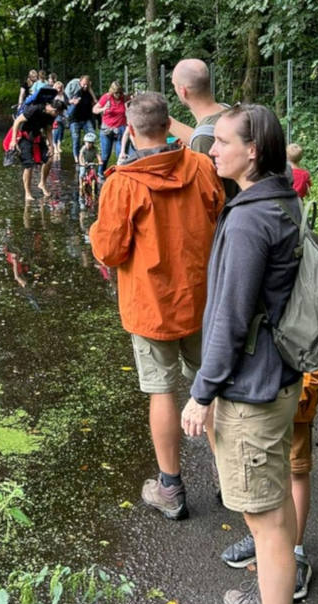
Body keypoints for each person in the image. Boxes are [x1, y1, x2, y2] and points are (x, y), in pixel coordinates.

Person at [180, 104, 302, 604]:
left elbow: (231, 318)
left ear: (252, 151)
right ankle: (276, 588)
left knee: (266, 520)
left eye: (223, 143)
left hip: (252, 388)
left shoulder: (251, 219)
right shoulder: (281, 197)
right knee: (277, 502)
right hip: (280, 375)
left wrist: (201, 392)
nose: (212, 150)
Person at [89, 92, 224, 521]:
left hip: (151, 309)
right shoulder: (202, 166)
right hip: (203, 299)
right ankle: (229, 481)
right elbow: (220, 219)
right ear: (169, 126)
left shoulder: (122, 184)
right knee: (212, 385)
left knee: (161, 391)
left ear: (129, 131)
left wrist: (97, 227)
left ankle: (170, 487)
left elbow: (108, 252)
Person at [220, 369, 318, 602]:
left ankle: (295, 553)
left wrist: (307, 388)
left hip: (294, 388)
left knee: (296, 469)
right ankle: (266, 542)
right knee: (266, 471)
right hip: (260, 391)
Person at [169, 58, 239, 201]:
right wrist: (167, 121)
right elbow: (203, 133)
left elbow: (207, 194)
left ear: (183, 91)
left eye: (174, 85)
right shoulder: (226, 110)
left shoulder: (204, 139)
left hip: (226, 217)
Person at [8, 97, 67, 202]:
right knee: (29, 165)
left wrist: (51, 146)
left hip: (36, 136)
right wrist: (13, 140)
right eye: (57, 112)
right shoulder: (34, 109)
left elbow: (48, 130)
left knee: (49, 159)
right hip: (23, 136)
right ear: (51, 108)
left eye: (59, 113)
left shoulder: (51, 115)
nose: (57, 115)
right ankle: (27, 193)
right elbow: (17, 121)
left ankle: (42, 183)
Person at [93, 81, 128, 178]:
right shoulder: (106, 97)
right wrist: (103, 108)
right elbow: (94, 110)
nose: (118, 95)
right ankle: (100, 173)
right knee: (105, 155)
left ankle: (120, 175)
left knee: (120, 154)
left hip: (120, 129)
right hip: (107, 129)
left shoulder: (124, 98)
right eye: (116, 93)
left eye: (120, 93)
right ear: (112, 92)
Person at [68, 75, 97, 160]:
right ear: (80, 83)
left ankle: (88, 153)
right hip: (75, 119)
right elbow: (68, 100)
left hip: (86, 118)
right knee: (76, 139)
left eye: (87, 84)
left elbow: (94, 101)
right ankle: (77, 158)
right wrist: (73, 101)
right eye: (84, 84)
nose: (85, 86)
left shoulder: (89, 93)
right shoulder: (78, 92)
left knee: (92, 135)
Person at [77, 131, 99, 201]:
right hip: (84, 163)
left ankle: (95, 181)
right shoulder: (83, 149)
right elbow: (80, 156)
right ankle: (80, 184)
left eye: (90, 143)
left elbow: (98, 155)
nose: (88, 144)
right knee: (82, 172)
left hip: (91, 162)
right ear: (84, 142)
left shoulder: (94, 149)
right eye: (87, 142)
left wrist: (100, 161)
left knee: (94, 171)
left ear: (93, 143)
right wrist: (81, 163)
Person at [52, 81, 68, 156]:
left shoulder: (64, 95)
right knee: (56, 129)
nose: (59, 90)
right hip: (55, 114)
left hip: (63, 114)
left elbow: (67, 102)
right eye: (57, 88)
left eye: (60, 88)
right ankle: (54, 145)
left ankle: (59, 144)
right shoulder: (52, 95)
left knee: (61, 130)